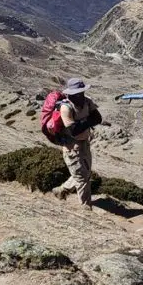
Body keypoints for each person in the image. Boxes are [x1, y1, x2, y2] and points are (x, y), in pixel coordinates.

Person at [52, 77, 102, 206]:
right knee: (82, 179)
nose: (80, 95)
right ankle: (86, 207)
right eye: (77, 93)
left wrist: (82, 123)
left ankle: (61, 190)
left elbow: (98, 118)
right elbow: (74, 130)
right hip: (71, 147)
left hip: (84, 142)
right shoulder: (66, 108)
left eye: (81, 92)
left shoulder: (87, 101)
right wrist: (87, 121)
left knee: (86, 174)